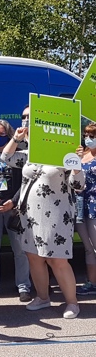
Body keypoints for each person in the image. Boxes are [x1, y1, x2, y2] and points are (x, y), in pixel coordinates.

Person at [1, 119, 85, 319]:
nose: (26, 121)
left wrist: (76, 165)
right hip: (30, 216)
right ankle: (42, 297)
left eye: (30, 118)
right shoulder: (29, 155)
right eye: (24, 118)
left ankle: (72, 303)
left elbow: (78, 184)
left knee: (57, 260)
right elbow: (5, 157)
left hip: (56, 216)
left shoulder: (63, 152)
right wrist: (16, 138)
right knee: (34, 257)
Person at [0, 120, 31, 302]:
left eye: (2, 134)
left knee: (20, 248)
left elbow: (25, 182)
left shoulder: (17, 155)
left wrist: (13, 201)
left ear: (9, 135)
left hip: (13, 207)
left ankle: (24, 286)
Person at [76, 122, 96, 295]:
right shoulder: (83, 155)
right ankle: (92, 282)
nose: (88, 139)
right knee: (88, 247)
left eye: (93, 136)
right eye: (87, 135)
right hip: (81, 204)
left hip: (95, 204)